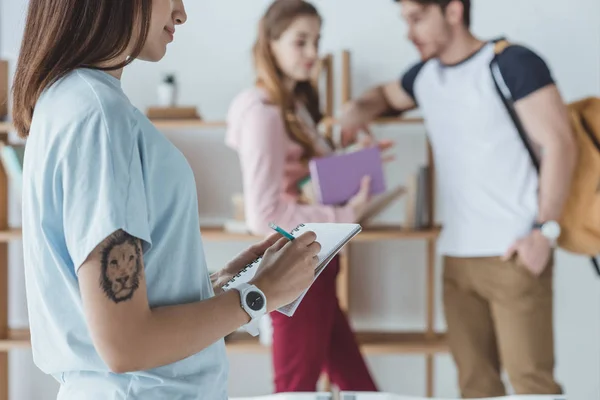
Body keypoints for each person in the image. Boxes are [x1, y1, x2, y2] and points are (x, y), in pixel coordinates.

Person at [13, 1, 322, 399]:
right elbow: (125, 344)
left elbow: (113, 311)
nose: (181, 13)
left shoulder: (70, 101)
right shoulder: (99, 117)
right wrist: (258, 294)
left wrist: (214, 286)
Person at [340, 0, 576, 397]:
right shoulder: (424, 77)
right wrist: (356, 110)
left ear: (453, 11)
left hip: (514, 254)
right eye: (405, 21)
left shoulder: (511, 64)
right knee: (474, 386)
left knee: (533, 386)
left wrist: (543, 232)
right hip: (457, 259)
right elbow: (382, 95)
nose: (408, 32)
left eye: (417, 19)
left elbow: (561, 145)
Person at [225, 0, 381, 393]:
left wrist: (355, 163)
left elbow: (301, 186)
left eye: (317, 40)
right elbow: (264, 214)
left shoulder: (294, 108)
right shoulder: (263, 113)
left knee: (358, 387)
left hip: (316, 265)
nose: (314, 53)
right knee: (297, 390)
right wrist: (345, 212)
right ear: (271, 44)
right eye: (301, 42)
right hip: (298, 269)